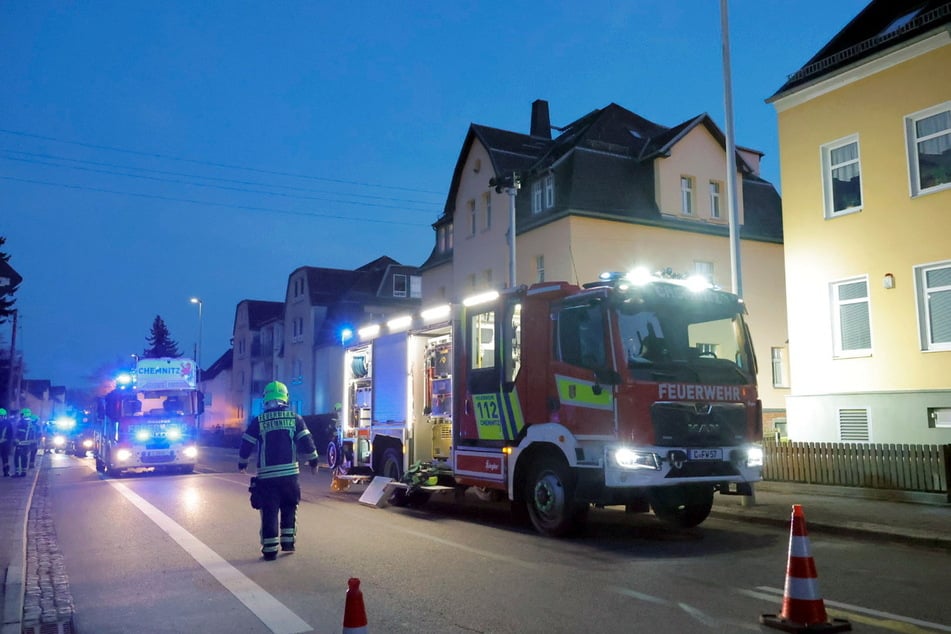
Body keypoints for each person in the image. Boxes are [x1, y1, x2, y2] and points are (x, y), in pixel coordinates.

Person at [238, 381, 318, 561]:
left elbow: (247, 443)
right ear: (285, 397)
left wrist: (242, 463)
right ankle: (288, 543)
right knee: (289, 506)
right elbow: (307, 441)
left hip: (268, 477)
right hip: (290, 476)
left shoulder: (259, 421)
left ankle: (270, 549)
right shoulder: (295, 418)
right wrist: (313, 461)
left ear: (265, 399)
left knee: (269, 511)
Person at [12, 410, 35, 478]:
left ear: (24, 415)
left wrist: (17, 439)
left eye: (21, 414)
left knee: (16, 457)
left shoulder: (22, 422)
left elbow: (20, 433)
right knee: (24, 457)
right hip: (27, 443)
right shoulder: (31, 423)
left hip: (21, 443)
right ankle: (23, 472)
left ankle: (17, 472)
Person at [0, 408, 12, 477]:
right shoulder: (7, 423)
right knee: (5, 458)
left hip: (4, 443)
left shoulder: (7, 423)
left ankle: (6, 472)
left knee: (5, 458)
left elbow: (10, 434)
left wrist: (6, 440)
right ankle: (6, 472)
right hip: (4, 443)